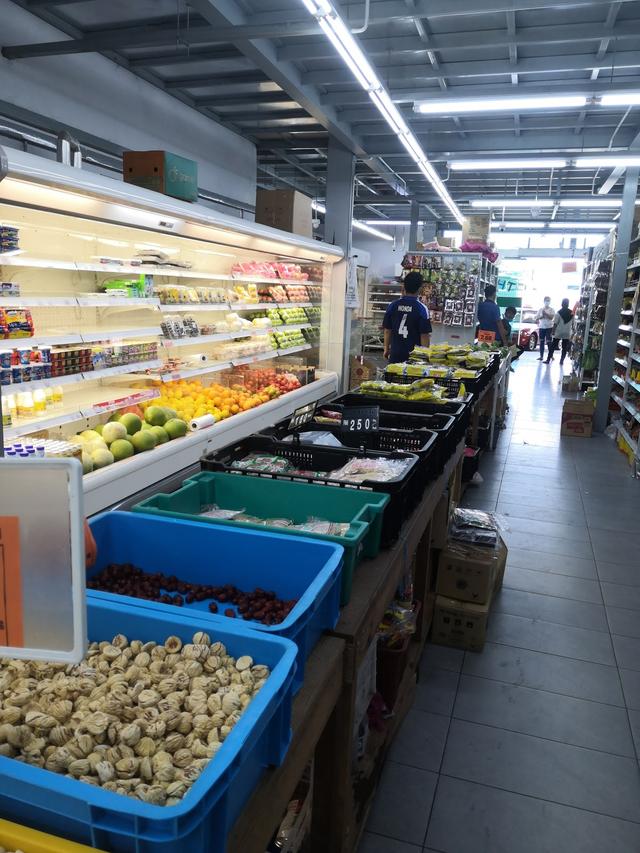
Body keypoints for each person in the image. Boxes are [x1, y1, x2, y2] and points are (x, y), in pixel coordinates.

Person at [383, 271, 432, 363]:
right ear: (419, 289)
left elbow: (387, 330)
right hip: (415, 356)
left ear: (404, 287)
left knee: (393, 376)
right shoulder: (422, 309)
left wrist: (386, 348)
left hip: (395, 353)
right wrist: (425, 356)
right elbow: (424, 335)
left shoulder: (392, 305)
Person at [545, 298, 574, 365]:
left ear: (562, 304)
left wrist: (552, 332)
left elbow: (555, 324)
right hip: (567, 333)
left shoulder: (558, 313)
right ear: (568, 304)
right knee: (564, 348)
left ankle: (548, 360)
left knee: (552, 346)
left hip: (558, 332)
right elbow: (573, 324)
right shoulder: (572, 313)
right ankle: (561, 361)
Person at [535, 296, 555, 361]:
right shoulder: (540, 309)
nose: (547, 302)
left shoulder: (552, 309)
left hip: (549, 327)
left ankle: (551, 356)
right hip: (542, 327)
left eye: (548, 300)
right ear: (544, 301)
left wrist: (545, 314)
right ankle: (541, 356)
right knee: (541, 342)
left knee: (549, 342)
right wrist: (541, 316)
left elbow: (551, 317)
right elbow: (536, 318)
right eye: (546, 300)